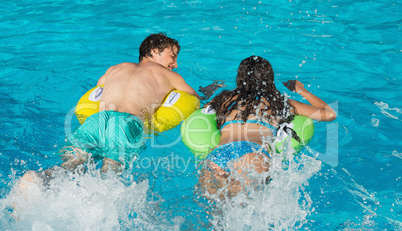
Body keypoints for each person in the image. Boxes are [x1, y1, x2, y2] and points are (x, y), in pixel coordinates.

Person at [21, 32, 218, 183]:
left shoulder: (115, 69)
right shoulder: (169, 76)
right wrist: (210, 90)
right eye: (172, 56)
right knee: (110, 180)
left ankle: (38, 178)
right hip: (127, 124)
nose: (175, 64)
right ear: (154, 51)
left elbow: (96, 93)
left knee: (70, 166)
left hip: (97, 120)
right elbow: (194, 100)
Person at [198, 55, 337, 199]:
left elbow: (201, 110)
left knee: (212, 214)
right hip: (252, 152)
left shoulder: (225, 99)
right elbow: (329, 114)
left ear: (240, 78)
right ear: (269, 78)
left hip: (219, 153)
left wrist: (212, 88)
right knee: (244, 209)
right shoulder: (281, 103)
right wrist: (300, 90)